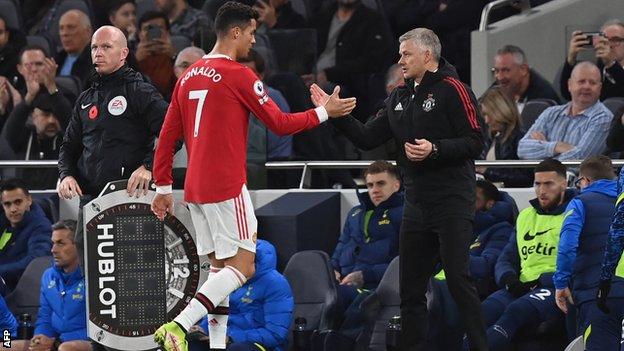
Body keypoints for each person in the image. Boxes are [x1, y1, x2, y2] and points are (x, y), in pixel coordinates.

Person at [150, 2, 356, 350]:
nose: (253, 41)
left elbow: (168, 137)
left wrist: (164, 187)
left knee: (219, 273)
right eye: (251, 33)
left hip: (196, 189)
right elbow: (280, 123)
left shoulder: (187, 76)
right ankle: (179, 325)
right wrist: (324, 112)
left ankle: (216, 346)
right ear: (235, 32)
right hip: (227, 185)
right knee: (243, 268)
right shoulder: (239, 75)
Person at [311, 28, 487, 350]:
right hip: (417, 205)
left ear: (427, 55)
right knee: (410, 289)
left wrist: (435, 149)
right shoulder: (399, 96)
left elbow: (477, 140)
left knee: (459, 281)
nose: (400, 60)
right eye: (401, 53)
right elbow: (367, 137)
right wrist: (334, 116)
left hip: (452, 201)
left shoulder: (454, 89)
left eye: (406, 54)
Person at [57, 26, 168, 251]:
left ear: (124, 53)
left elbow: (173, 134)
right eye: (94, 47)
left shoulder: (140, 91)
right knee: (89, 262)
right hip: (90, 200)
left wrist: (149, 166)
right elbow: (69, 145)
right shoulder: (86, 99)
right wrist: (66, 174)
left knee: (130, 268)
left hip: (129, 197)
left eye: (106, 47)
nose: (98, 52)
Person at [479, 159, 574, 350]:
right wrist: (508, 279)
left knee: (517, 311)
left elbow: (579, 260)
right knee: (482, 312)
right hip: (521, 285)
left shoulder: (574, 214)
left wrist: (542, 281)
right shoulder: (526, 215)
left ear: (564, 184)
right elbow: (507, 257)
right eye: (537, 184)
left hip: (555, 287)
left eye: (549, 184)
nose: (541, 190)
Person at [431, 179, 515, 350]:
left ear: (490, 204)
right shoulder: (454, 227)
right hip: (435, 285)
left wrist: (446, 256)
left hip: (466, 288)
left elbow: (487, 266)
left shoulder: (500, 228)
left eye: (472, 198)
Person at [553, 156, 623, 350]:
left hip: (597, 294)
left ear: (586, 181)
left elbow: (567, 246)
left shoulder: (580, 203)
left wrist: (560, 283)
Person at [331, 160, 403, 336]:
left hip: (377, 286)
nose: (374, 190)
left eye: (380, 183)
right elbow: (341, 246)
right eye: (370, 185)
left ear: (397, 185)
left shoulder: (406, 214)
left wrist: (366, 275)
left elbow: (407, 262)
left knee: (338, 301)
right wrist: (332, 269)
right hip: (344, 284)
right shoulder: (355, 213)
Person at [188, 240, 293, 351]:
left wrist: (232, 337)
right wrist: (203, 329)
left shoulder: (276, 284)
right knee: (191, 344)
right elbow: (217, 314)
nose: (227, 264)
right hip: (225, 339)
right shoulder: (228, 278)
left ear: (250, 259)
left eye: (231, 260)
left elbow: (275, 335)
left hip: (258, 345)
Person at [11, 220, 90, 351]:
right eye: (53, 243)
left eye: (61, 243)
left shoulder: (94, 277)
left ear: (78, 245)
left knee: (66, 348)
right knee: (5, 346)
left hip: (83, 343)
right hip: (54, 342)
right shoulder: (48, 276)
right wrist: (39, 337)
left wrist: (57, 342)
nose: (53, 250)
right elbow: (45, 317)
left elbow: (101, 328)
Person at [517, 61, 612, 161]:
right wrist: (556, 146)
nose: (586, 86)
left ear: (600, 88)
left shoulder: (603, 118)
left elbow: (580, 159)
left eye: (592, 83)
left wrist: (543, 149)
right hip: (541, 176)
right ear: (569, 85)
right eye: (581, 81)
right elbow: (522, 149)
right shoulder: (550, 113)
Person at [1, 58, 71, 190]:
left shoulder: (66, 140)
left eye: (55, 116)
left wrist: (52, 89)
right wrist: (30, 96)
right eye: (45, 115)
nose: (51, 120)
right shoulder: (24, 138)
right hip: (25, 203)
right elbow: (10, 132)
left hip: (58, 203)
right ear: (33, 116)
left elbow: (71, 122)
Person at [0, 179, 52, 295]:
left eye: (18, 202)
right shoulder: (3, 223)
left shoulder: (41, 227)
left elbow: (36, 261)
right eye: (7, 204)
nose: (13, 209)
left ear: (28, 200)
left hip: (18, 292)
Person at [478, 87, 532, 187]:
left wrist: (487, 171)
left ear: (500, 111)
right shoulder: (490, 138)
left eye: (488, 115)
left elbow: (526, 178)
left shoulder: (520, 140)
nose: (486, 121)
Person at [560, 20, 624, 101]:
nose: (609, 45)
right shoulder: (597, 69)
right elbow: (567, 94)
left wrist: (611, 64)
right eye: (604, 40)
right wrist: (571, 59)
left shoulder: (610, 67)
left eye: (615, 40)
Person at [491, 45, 560, 110]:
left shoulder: (543, 100)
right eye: (496, 71)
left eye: (506, 70)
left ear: (524, 70)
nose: (500, 77)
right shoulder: (501, 86)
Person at [135, 11, 177, 99]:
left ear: (168, 32)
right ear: (139, 34)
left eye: (159, 28)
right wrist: (135, 62)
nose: (153, 32)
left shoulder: (178, 56)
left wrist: (174, 58)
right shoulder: (128, 56)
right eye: (148, 28)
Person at [56, 10, 94, 88]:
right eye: (61, 28)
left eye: (71, 27)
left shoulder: (98, 61)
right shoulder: (57, 59)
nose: (64, 33)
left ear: (88, 31)